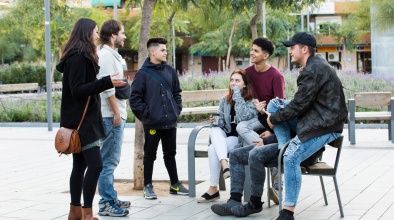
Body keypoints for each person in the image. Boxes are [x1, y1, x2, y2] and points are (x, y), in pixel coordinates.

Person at [265, 32, 347, 220]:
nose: (290, 51)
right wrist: (276, 114)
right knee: (274, 104)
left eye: (292, 48)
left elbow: (299, 105)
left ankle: (288, 213)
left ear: (304, 49)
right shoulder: (313, 66)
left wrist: (274, 119)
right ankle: (282, 148)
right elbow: (300, 104)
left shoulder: (312, 70)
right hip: (315, 117)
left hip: (324, 125)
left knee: (292, 157)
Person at [56, 18, 126, 220]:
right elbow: (78, 90)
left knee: (79, 166)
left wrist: (104, 82)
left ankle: (75, 213)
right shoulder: (79, 57)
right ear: (86, 32)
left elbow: (81, 87)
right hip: (83, 122)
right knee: (96, 165)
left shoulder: (79, 55)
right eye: (95, 31)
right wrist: (106, 82)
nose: (97, 35)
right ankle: (87, 214)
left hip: (80, 120)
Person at [129, 37, 189, 200]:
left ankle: (175, 184)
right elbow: (134, 100)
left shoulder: (170, 71)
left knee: (170, 154)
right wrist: (147, 116)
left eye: (165, 50)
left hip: (170, 122)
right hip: (152, 124)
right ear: (152, 52)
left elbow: (177, 93)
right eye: (162, 50)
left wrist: (176, 110)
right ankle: (147, 186)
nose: (165, 52)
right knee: (150, 155)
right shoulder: (142, 74)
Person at [236, 37, 286, 203]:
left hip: (271, 120)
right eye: (251, 49)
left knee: (274, 142)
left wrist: (271, 130)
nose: (251, 52)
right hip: (253, 117)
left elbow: (280, 107)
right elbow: (239, 92)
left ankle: (277, 188)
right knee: (241, 127)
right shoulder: (247, 73)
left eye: (256, 50)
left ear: (265, 56)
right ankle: (259, 147)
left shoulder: (276, 76)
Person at [197, 69, 258, 203]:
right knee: (214, 132)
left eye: (237, 81)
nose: (233, 83)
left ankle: (213, 188)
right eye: (232, 80)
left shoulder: (252, 102)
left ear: (245, 84)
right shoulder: (225, 100)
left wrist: (237, 94)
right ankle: (225, 165)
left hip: (239, 139)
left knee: (213, 148)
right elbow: (223, 121)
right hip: (225, 137)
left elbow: (243, 117)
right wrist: (216, 121)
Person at [96, 19, 129, 217]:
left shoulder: (111, 55)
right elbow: (106, 87)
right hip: (110, 116)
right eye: (122, 33)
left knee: (111, 160)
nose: (125, 36)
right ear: (113, 35)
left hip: (114, 114)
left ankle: (110, 196)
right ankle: (106, 203)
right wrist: (116, 112)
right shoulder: (106, 56)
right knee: (108, 161)